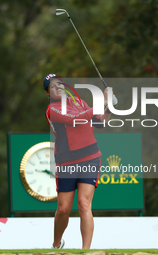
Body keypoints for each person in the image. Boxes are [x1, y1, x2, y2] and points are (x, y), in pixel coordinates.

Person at [43, 73, 117, 249]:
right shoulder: (52, 110)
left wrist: (109, 108)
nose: (57, 88)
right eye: (52, 86)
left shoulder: (79, 103)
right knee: (63, 209)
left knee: (84, 204)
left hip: (90, 158)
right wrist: (102, 101)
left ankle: (85, 251)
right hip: (66, 162)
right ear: (48, 93)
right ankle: (56, 245)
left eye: (59, 84)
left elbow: (99, 123)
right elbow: (75, 120)